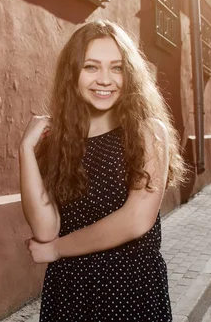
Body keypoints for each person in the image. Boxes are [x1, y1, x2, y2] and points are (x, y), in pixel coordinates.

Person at [19, 20, 186, 322]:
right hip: (69, 291)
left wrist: (56, 250)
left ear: (130, 74)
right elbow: (45, 229)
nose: (105, 80)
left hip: (130, 291)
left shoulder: (148, 132)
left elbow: (136, 220)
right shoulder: (60, 141)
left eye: (117, 68)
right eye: (92, 67)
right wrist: (25, 152)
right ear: (73, 74)